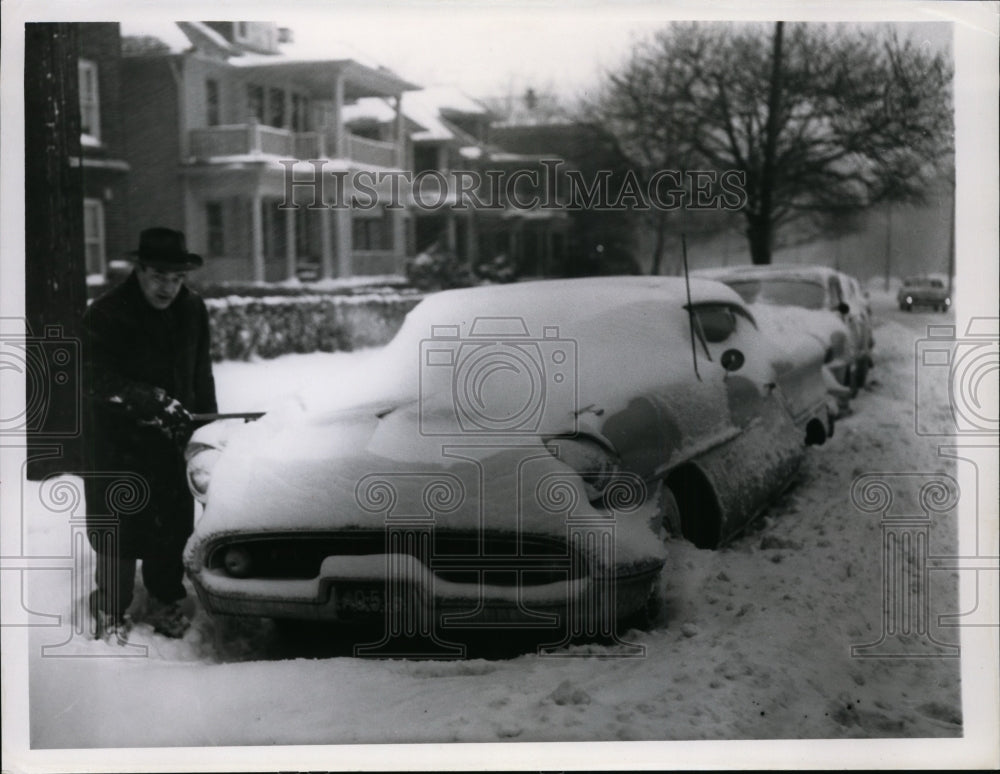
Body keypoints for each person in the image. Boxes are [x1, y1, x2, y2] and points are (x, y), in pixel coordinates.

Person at [82, 227, 217, 642]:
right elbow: (92, 377)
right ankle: (111, 606)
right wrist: (147, 400)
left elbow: (200, 374)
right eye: (159, 276)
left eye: (177, 278)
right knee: (117, 529)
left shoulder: (192, 309)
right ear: (139, 270)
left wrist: (207, 432)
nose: (169, 287)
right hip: (115, 444)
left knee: (172, 526)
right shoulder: (106, 313)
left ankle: (165, 600)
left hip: (170, 441)